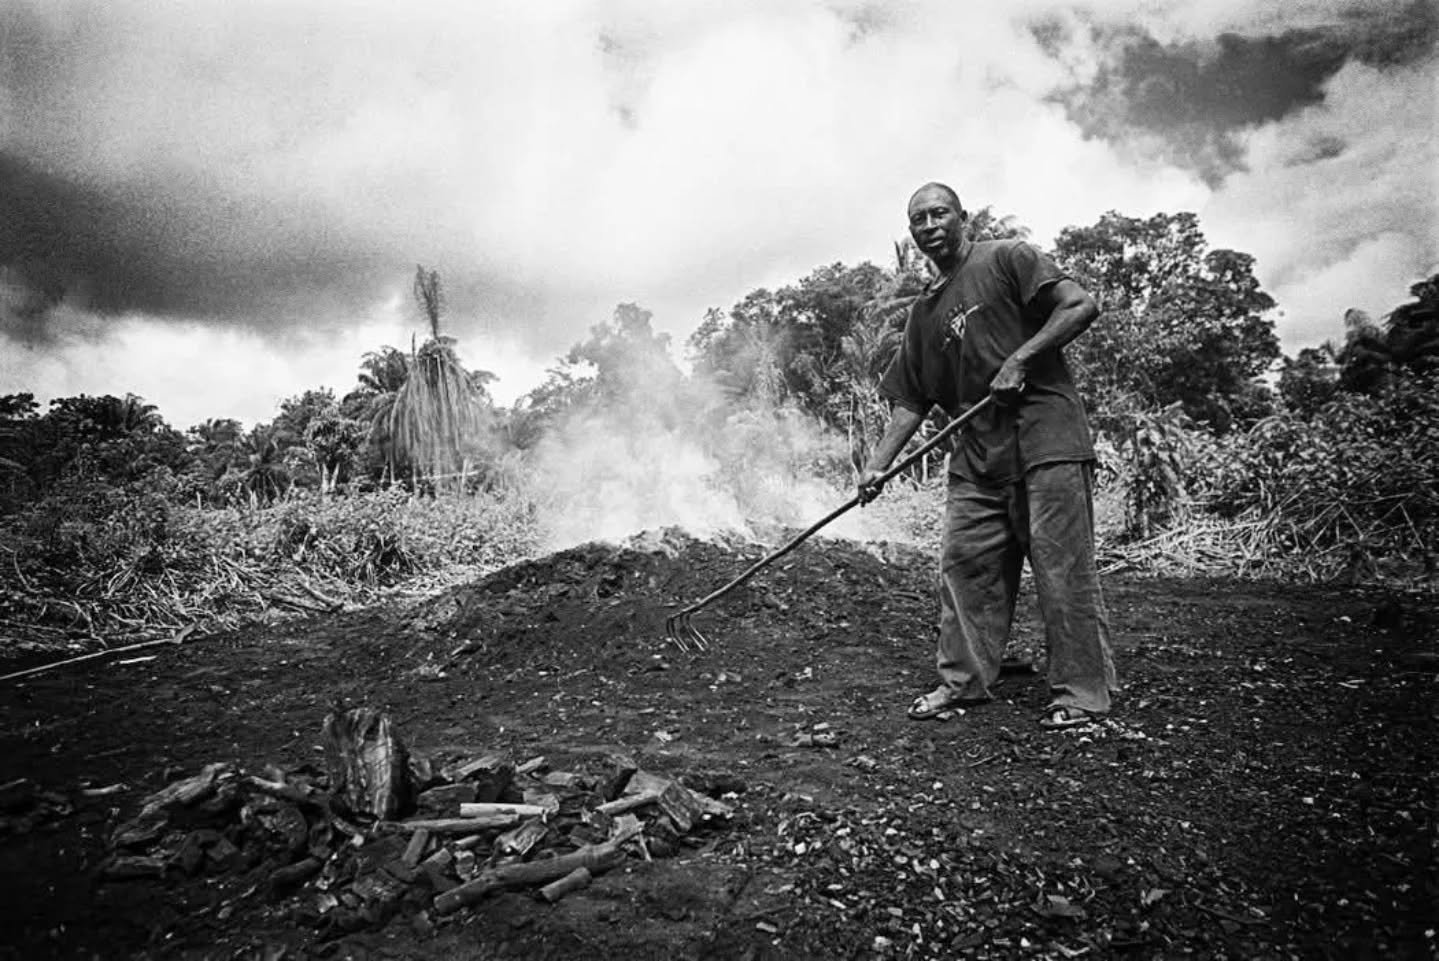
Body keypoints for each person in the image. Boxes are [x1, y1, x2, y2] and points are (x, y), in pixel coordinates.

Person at [857, 182, 1117, 729]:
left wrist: (1020, 359)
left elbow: (1079, 305)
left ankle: (1082, 694)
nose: (928, 225)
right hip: (977, 461)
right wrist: (877, 465)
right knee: (965, 569)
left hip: (1046, 442)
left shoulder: (1006, 258)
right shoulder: (922, 316)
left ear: (961, 217)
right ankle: (963, 683)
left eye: (938, 213)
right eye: (918, 219)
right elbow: (910, 400)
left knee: (1061, 571)